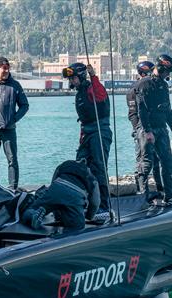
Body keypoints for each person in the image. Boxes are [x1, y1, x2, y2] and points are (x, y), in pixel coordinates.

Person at [62, 62, 112, 220]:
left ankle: (104, 206)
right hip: (87, 133)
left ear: (81, 76)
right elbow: (84, 121)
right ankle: (85, 203)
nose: (71, 82)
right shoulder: (80, 93)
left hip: (100, 131)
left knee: (99, 168)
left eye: (73, 78)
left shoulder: (92, 88)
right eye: (70, 79)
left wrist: (93, 76)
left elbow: (101, 96)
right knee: (80, 166)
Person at [135, 54, 172, 204]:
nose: (168, 74)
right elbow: (141, 109)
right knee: (147, 163)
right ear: (160, 68)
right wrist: (147, 131)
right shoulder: (144, 84)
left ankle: (169, 195)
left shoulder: (163, 85)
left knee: (168, 161)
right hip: (148, 130)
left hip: (162, 129)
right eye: (167, 71)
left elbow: (167, 110)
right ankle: (142, 197)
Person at [0, 56, 29, 191]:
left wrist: (13, 119)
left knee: (12, 160)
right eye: (4, 69)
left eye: (8, 69)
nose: (7, 71)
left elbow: (24, 105)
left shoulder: (15, 86)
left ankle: (12, 188)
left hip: (8, 129)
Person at [20, 159, 100, 232]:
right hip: (75, 196)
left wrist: (57, 214)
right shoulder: (91, 176)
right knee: (77, 228)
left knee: (33, 208)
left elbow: (53, 181)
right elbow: (95, 202)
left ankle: (33, 215)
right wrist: (89, 216)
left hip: (56, 188)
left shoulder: (65, 164)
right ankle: (62, 236)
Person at [127, 61, 163, 197]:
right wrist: (138, 130)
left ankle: (160, 188)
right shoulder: (133, 90)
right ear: (143, 74)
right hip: (141, 131)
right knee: (142, 160)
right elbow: (132, 114)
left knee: (157, 160)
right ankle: (142, 190)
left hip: (153, 128)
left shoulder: (152, 87)